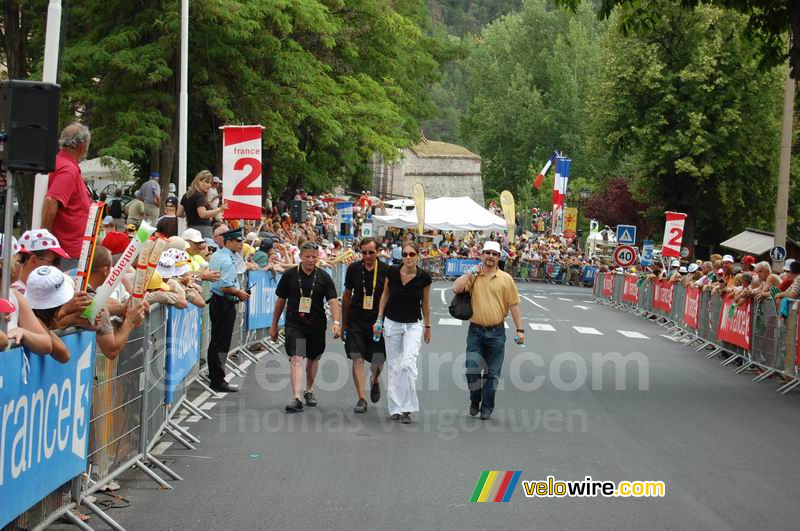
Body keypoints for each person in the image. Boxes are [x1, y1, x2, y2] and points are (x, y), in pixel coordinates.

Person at [452, 240, 524, 420]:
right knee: (472, 370)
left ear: (499, 257)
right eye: (487, 253)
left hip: (497, 332)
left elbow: (514, 305)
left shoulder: (506, 279)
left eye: (494, 254)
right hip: (475, 331)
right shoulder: (474, 276)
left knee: (492, 374)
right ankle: (474, 399)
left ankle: (487, 407)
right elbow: (456, 288)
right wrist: (470, 272)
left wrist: (520, 330)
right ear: (482, 255)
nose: (490, 256)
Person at [270, 241, 341, 413]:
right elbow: (280, 301)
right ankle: (296, 397)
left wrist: (337, 323)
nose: (311, 260)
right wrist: (274, 326)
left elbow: (333, 301)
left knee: (313, 358)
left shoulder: (324, 277)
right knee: (296, 357)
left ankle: (309, 389)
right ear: (300, 256)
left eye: (314, 257)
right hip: (295, 323)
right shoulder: (289, 275)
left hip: (316, 324)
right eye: (307, 256)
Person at [373, 241, 431, 424]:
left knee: (408, 364)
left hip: (413, 324)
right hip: (392, 323)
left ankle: (408, 407)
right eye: (405, 254)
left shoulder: (424, 277)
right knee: (394, 366)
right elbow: (385, 296)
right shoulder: (392, 272)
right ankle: (396, 408)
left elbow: (426, 304)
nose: (408, 258)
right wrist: (379, 319)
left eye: (411, 254)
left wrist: (428, 327)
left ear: (418, 256)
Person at [342, 237, 390, 414]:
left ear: (378, 251)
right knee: (357, 359)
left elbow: (391, 297)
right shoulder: (353, 269)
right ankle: (361, 398)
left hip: (377, 321)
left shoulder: (386, 270)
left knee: (378, 360)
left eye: (371, 252)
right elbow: (347, 296)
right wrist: (343, 324)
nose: (368, 256)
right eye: (364, 253)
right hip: (356, 320)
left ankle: (375, 380)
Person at [41, 122, 93, 270]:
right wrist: (45, 239)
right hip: (68, 253)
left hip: (67, 250)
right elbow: (51, 200)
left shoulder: (60, 163)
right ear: (83, 145)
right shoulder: (68, 169)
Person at [207, 227, 250, 392]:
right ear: (229, 241)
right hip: (224, 303)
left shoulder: (218, 255)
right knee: (221, 343)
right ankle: (218, 380)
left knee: (217, 341)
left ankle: (216, 377)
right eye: (238, 241)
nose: (241, 244)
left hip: (219, 302)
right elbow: (225, 286)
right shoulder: (227, 260)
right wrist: (239, 292)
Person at [178, 170, 226, 238]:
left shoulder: (186, 195)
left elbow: (179, 213)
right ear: (199, 181)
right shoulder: (200, 195)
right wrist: (220, 209)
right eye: (206, 182)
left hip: (189, 229)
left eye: (210, 183)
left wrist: (191, 214)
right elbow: (203, 214)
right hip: (203, 230)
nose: (209, 185)